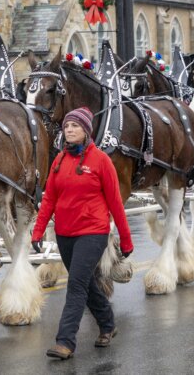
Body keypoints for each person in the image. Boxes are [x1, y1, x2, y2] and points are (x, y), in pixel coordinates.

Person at [31, 107, 133, 360]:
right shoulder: (59, 161)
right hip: (65, 233)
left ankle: (65, 342)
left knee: (75, 285)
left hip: (93, 232)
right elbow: (49, 200)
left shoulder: (101, 161)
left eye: (75, 126)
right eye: (67, 127)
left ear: (86, 131)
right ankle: (108, 323)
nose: (70, 130)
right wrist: (38, 232)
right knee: (85, 282)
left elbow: (116, 204)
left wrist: (126, 239)